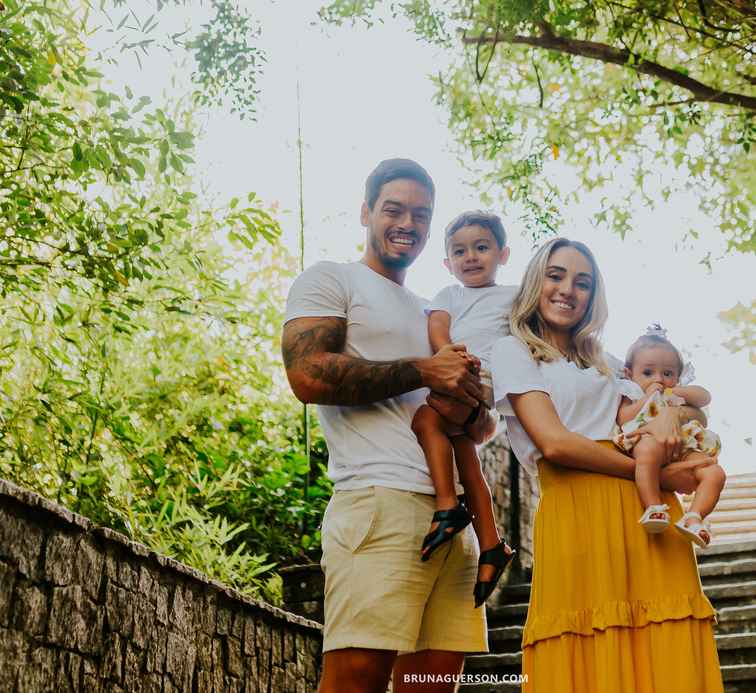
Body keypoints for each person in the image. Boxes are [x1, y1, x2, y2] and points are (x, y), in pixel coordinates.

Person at [282, 159, 496, 693]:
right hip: (379, 505)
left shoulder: (435, 312)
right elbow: (307, 375)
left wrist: (471, 404)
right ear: (366, 213)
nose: (407, 222)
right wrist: (426, 370)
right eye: (393, 209)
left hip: (455, 522)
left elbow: (483, 430)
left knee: (431, 684)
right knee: (357, 682)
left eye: (421, 214)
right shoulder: (331, 278)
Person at [490, 237, 723, 692]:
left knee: (665, 642)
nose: (567, 290)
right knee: (583, 642)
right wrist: (653, 471)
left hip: (646, 514)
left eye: (582, 282)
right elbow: (554, 443)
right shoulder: (513, 351)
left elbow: (687, 411)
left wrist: (675, 411)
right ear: (536, 281)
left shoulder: (608, 360)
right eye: (555, 276)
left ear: (593, 295)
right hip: (578, 508)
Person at [412, 210, 517, 607]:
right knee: (463, 452)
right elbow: (437, 325)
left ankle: (447, 507)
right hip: (455, 366)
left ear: (502, 254)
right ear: (447, 262)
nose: (470, 256)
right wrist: (446, 351)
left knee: (426, 419)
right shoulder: (449, 294)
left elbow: (529, 333)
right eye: (459, 251)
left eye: (482, 247)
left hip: (483, 374)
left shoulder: (513, 295)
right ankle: (491, 544)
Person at [615, 327, 726, 547]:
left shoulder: (675, 392)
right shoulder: (631, 393)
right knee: (647, 450)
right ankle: (653, 507)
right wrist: (646, 399)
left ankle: (694, 517)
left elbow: (704, 397)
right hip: (648, 442)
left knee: (715, 473)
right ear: (630, 374)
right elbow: (623, 419)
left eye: (667, 373)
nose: (659, 379)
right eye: (648, 373)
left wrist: (671, 393)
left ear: (677, 374)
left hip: (682, 449)